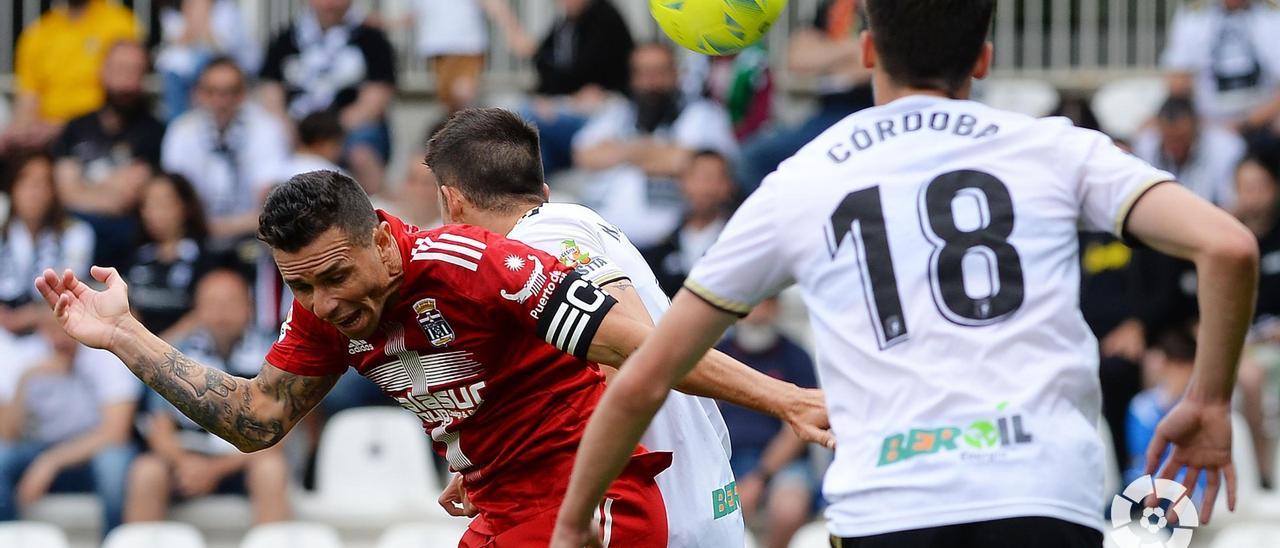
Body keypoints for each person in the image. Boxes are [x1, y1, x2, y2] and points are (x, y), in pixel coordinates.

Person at [551, 1, 1259, 546]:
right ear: (983, 58)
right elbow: (1228, 248)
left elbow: (646, 372)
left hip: (889, 505)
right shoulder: (1052, 147)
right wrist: (1207, 399)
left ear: (865, 49)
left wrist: (573, 521)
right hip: (1043, 494)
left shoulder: (806, 179)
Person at [34, 170, 830, 546]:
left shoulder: (474, 265)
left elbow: (650, 352)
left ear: (384, 238)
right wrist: (125, 337)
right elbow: (258, 419)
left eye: (337, 276)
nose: (325, 305)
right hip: (501, 510)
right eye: (300, 288)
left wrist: (788, 400)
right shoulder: (322, 314)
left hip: (588, 502)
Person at [430, 107, 761, 545]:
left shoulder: (539, 238)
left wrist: (582, 503)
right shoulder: (563, 225)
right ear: (541, 191)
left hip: (652, 509)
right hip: (686, 495)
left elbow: (630, 352)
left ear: (451, 202)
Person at [125, 270, 289, 524]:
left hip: (244, 461)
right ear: (197, 310)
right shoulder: (174, 355)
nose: (221, 312)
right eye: (212, 303)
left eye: (230, 303)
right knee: (146, 471)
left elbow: (278, 437)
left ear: (249, 307)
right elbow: (159, 427)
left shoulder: (274, 355)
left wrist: (214, 470)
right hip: (185, 459)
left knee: (271, 469)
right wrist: (186, 464)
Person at [573, 43, 738, 248]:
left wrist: (620, 151)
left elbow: (690, 163)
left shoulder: (701, 114)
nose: (650, 83)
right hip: (600, 241)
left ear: (676, 74)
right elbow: (584, 155)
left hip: (665, 244)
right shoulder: (618, 112)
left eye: (659, 73)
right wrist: (650, 151)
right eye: (642, 73)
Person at [0, 310, 139, 536]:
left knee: (113, 464)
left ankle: (114, 540)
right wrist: (25, 380)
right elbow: (7, 435)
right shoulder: (25, 357)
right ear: (40, 328)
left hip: (91, 453)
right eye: (50, 329)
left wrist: (50, 462)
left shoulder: (106, 354)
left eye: (65, 329)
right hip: (38, 448)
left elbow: (115, 433)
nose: (59, 338)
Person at [735, 0, 874, 194]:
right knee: (754, 157)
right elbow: (797, 57)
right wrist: (854, 50)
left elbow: (880, 64)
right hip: (827, 112)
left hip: (871, 109)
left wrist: (827, 54)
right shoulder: (836, 5)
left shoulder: (888, 8)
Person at [260, 0, 397, 195]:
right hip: (295, 129)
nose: (329, 5)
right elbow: (271, 95)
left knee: (362, 154)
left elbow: (376, 99)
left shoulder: (372, 39)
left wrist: (328, 135)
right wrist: (293, 131)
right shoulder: (285, 39)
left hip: (349, 129)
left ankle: (376, 213)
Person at [714, 298, 820, 548]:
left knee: (788, 509)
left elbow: (798, 428)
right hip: (727, 461)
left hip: (781, 466)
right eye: (753, 304)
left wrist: (759, 477)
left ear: (777, 307)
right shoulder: (719, 355)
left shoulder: (796, 356)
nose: (758, 313)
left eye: (767, 304)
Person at [52, 40, 165, 268]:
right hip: (74, 236)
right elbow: (65, 193)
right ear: (102, 71)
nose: (125, 80)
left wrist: (85, 189)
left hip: (127, 241)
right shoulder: (76, 127)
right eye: (119, 69)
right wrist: (107, 188)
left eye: (134, 71)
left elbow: (124, 198)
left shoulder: (154, 132)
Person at [162, 57, 290, 249]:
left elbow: (271, 198)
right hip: (194, 236)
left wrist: (222, 228)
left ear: (243, 94)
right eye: (212, 92)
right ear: (198, 94)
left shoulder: (266, 128)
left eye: (230, 92)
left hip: (254, 235)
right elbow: (173, 194)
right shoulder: (181, 131)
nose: (220, 101)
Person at [1, 0, 139, 153]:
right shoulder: (39, 32)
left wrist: (60, 127)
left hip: (99, 137)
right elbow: (27, 99)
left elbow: (122, 94)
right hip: (45, 138)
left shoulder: (119, 23)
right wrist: (22, 132)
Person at [0, 153, 95, 345]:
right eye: (27, 182)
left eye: (43, 184)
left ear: (54, 191)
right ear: (13, 187)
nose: (35, 192)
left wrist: (24, 318)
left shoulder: (76, 232)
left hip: (52, 327)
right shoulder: (3, 227)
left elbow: (67, 292)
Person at [1163, 0, 1280, 132]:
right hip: (1208, 124)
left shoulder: (1274, 16)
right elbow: (1177, 82)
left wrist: (1249, 122)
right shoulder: (1194, 16)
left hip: (1266, 122)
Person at [126, 173, 214, 340]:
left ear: (184, 206)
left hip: (188, 350)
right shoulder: (136, 256)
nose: (153, 213)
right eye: (147, 205)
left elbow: (204, 310)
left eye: (162, 204)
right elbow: (127, 305)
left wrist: (162, 347)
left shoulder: (205, 258)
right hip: (137, 347)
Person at [642, 150, 738, 298]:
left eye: (713, 178)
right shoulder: (659, 250)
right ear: (682, 182)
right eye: (698, 177)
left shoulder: (738, 242)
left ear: (728, 185)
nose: (704, 188)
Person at [154, 0, 261, 121]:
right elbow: (175, 45)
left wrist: (204, 24)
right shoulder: (171, 13)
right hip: (186, 72)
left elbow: (225, 49)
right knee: (174, 73)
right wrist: (191, 20)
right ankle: (177, 121)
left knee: (203, 62)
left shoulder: (228, 10)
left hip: (225, 65)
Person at [1133, 96, 1246, 207]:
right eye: (1169, 139)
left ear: (1197, 127)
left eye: (1182, 138)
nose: (1175, 144)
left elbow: (1232, 204)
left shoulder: (1226, 148)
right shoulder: (1145, 146)